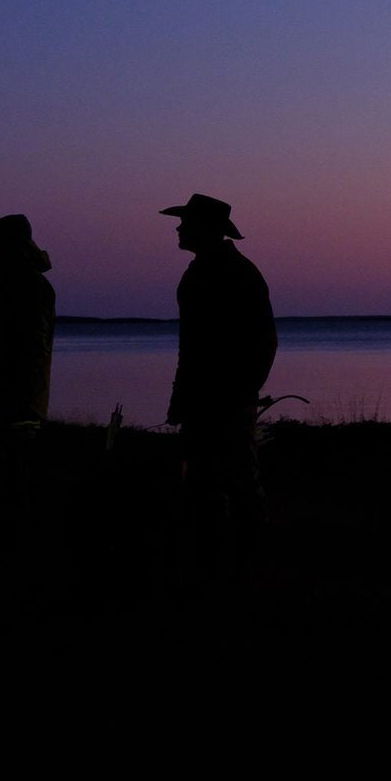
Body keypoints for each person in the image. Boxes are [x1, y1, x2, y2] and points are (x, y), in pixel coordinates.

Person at [162, 193, 277, 581]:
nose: (178, 228)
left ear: (204, 230)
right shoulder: (199, 272)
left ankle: (249, 565)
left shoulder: (238, 273)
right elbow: (191, 345)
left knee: (238, 481)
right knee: (201, 483)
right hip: (201, 400)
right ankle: (211, 563)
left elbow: (264, 340)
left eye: (185, 222)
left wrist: (242, 392)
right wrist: (182, 397)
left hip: (226, 401)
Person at [0, 214, 57, 532]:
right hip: (9, 396)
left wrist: (20, 398)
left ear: (12, 245)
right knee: (6, 475)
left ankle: (18, 542)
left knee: (16, 476)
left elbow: (32, 349)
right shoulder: (13, 281)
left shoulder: (27, 285)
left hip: (19, 402)